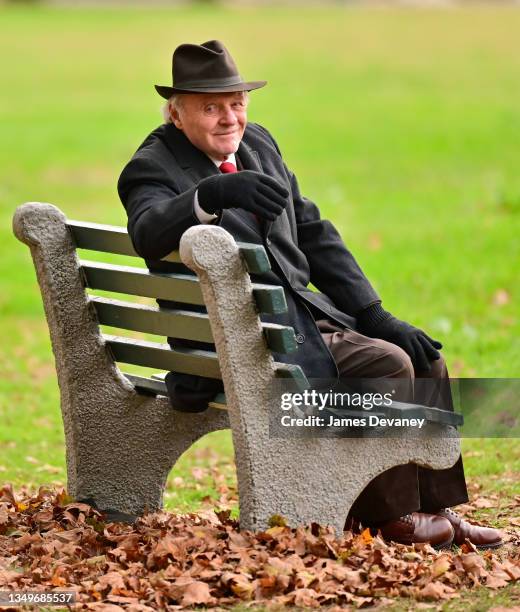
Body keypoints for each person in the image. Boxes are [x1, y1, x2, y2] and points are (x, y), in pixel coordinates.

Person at [118, 40, 502, 549]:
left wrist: (374, 313)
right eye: (210, 107)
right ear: (176, 112)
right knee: (387, 368)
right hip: (241, 343)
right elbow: (147, 230)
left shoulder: (257, 144)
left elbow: (313, 231)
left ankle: (437, 509)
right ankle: (390, 519)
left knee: (421, 355)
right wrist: (208, 196)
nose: (228, 118)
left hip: (293, 320)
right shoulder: (153, 166)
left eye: (236, 103)